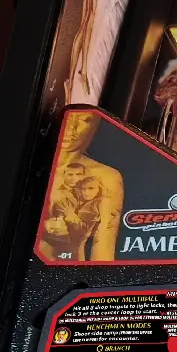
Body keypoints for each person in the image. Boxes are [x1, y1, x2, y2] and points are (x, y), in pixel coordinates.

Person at [38, 111, 124, 262]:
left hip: (63, 267)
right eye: (70, 118)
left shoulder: (105, 177)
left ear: (94, 127)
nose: (72, 127)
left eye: (84, 120)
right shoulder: (26, 162)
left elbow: (103, 240)